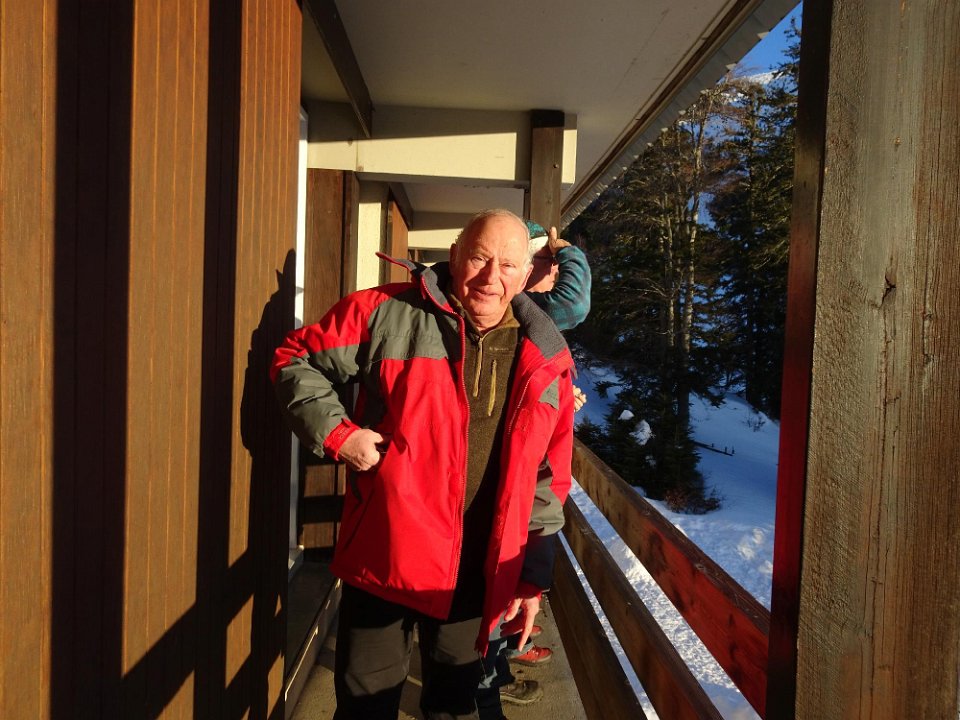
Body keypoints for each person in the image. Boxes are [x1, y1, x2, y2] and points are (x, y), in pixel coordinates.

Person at [271, 209, 576, 720]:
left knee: (453, 708)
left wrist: (531, 579)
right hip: (384, 557)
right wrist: (340, 435)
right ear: (454, 257)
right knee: (365, 709)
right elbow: (294, 358)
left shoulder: (545, 356)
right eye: (479, 258)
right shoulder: (385, 312)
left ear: (527, 275)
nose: (491, 277)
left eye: (507, 265)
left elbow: (545, 473)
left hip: (474, 574)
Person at [475, 221, 592, 719]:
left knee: (497, 591)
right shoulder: (524, 308)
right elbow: (576, 304)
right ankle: (484, 695)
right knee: (486, 592)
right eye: (547, 263)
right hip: (494, 489)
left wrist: (559, 400)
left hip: (512, 483)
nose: (553, 273)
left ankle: (495, 669)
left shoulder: (522, 316)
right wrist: (569, 251)